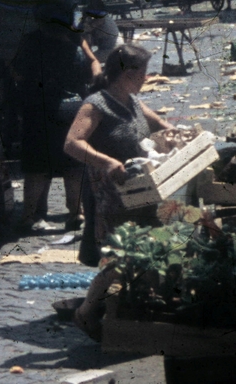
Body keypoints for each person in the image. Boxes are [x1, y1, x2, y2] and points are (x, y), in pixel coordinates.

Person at [64, 43, 177, 339]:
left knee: (149, 248)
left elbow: (161, 127)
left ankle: (139, 309)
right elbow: (72, 143)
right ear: (126, 73)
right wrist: (106, 161)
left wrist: (176, 136)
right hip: (112, 198)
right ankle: (85, 313)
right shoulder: (96, 104)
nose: (146, 78)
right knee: (118, 257)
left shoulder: (133, 102)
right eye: (142, 72)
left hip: (143, 193)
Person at [12, 1, 100, 231]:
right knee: (73, 165)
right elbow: (93, 63)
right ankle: (75, 213)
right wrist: (93, 83)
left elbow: (18, 74)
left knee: (37, 167)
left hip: (39, 109)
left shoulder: (31, 41)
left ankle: (29, 216)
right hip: (72, 109)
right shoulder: (75, 39)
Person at [80, 0, 120, 66]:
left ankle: (90, 75)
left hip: (112, 50)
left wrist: (84, 20)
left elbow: (87, 29)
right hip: (109, 47)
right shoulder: (103, 15)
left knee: (86, 60)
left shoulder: (101, 18)